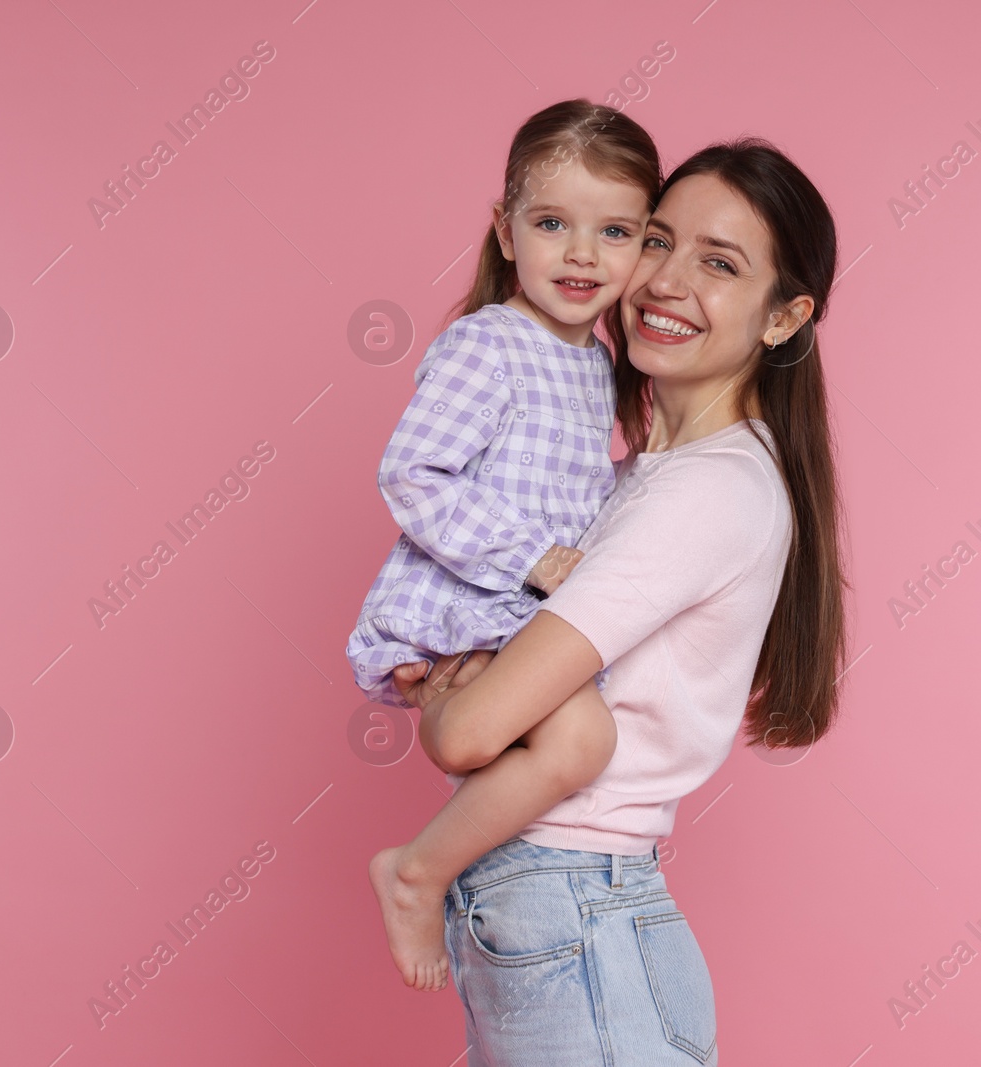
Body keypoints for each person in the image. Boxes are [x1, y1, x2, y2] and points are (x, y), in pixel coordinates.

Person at [395, 137, 850, 1065]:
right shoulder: (637, 478)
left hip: (576, 909)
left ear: (783, 317)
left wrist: (445, 698)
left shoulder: (708, 491)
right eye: (656, 240)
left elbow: (469, 736)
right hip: (554, 910)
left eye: (719, 264)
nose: (664, 282)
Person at [350, 99, 663, 991]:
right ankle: (415, 870)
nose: (580, 254)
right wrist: (529, 558)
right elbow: (414, 474)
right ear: (506, 228)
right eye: (552, 223)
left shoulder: (596, 361)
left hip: (531, 608)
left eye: (616, 232)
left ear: (646, 247)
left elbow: (572, 486)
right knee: (580, 741)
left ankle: (442, 869)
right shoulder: (489, 342)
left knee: (574, 746)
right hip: (479, 593)